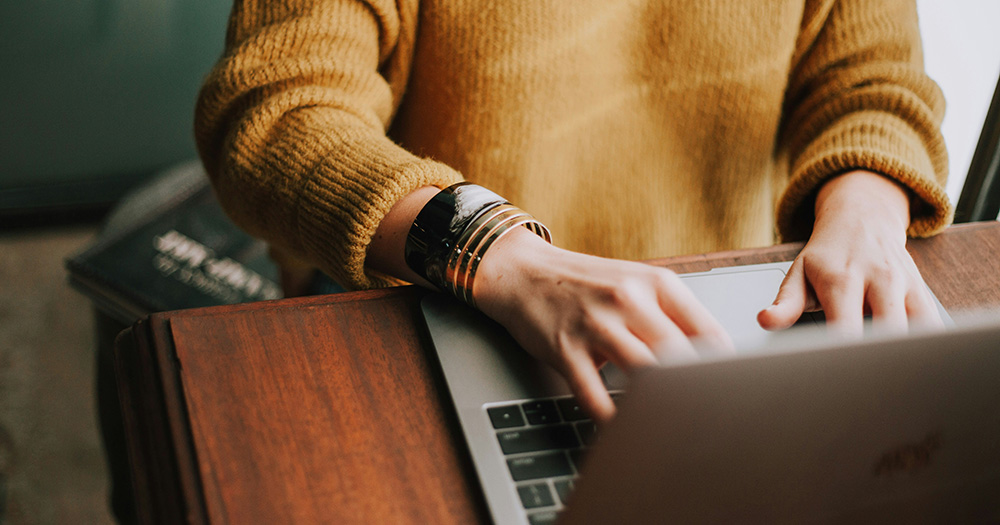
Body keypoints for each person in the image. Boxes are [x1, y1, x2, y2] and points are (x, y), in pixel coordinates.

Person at [195, 0, 952, 422]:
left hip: (715, 329)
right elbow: (277, 111)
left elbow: (873, 77)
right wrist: (500, 253)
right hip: (432, 304)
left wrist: (867, 206)